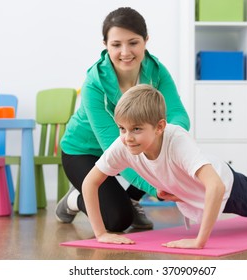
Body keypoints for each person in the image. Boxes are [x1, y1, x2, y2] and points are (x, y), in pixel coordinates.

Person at [81, 84, 247, 249]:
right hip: (195, 195)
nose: (127, 137)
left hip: (225, 186)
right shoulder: (123, 144)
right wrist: (101, 233)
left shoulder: (177, 141)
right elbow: (90, 182)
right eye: (122, 128)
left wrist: (200, 242)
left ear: (160, 127)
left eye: (136, 129)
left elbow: (216, 187)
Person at [56, 7, 190, 231]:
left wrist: (170, 140)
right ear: (105, 44)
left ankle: (133, 198)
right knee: (117, 220)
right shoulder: (94, 83)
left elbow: (178, 115)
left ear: (146, 41)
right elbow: (114, 147)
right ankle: (74, 200)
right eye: (116, 44)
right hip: (84, 152)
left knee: (159, 139)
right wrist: (155, 188)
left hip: (128, 145)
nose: (125, 52)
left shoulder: (157, 71)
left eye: (133, 42)